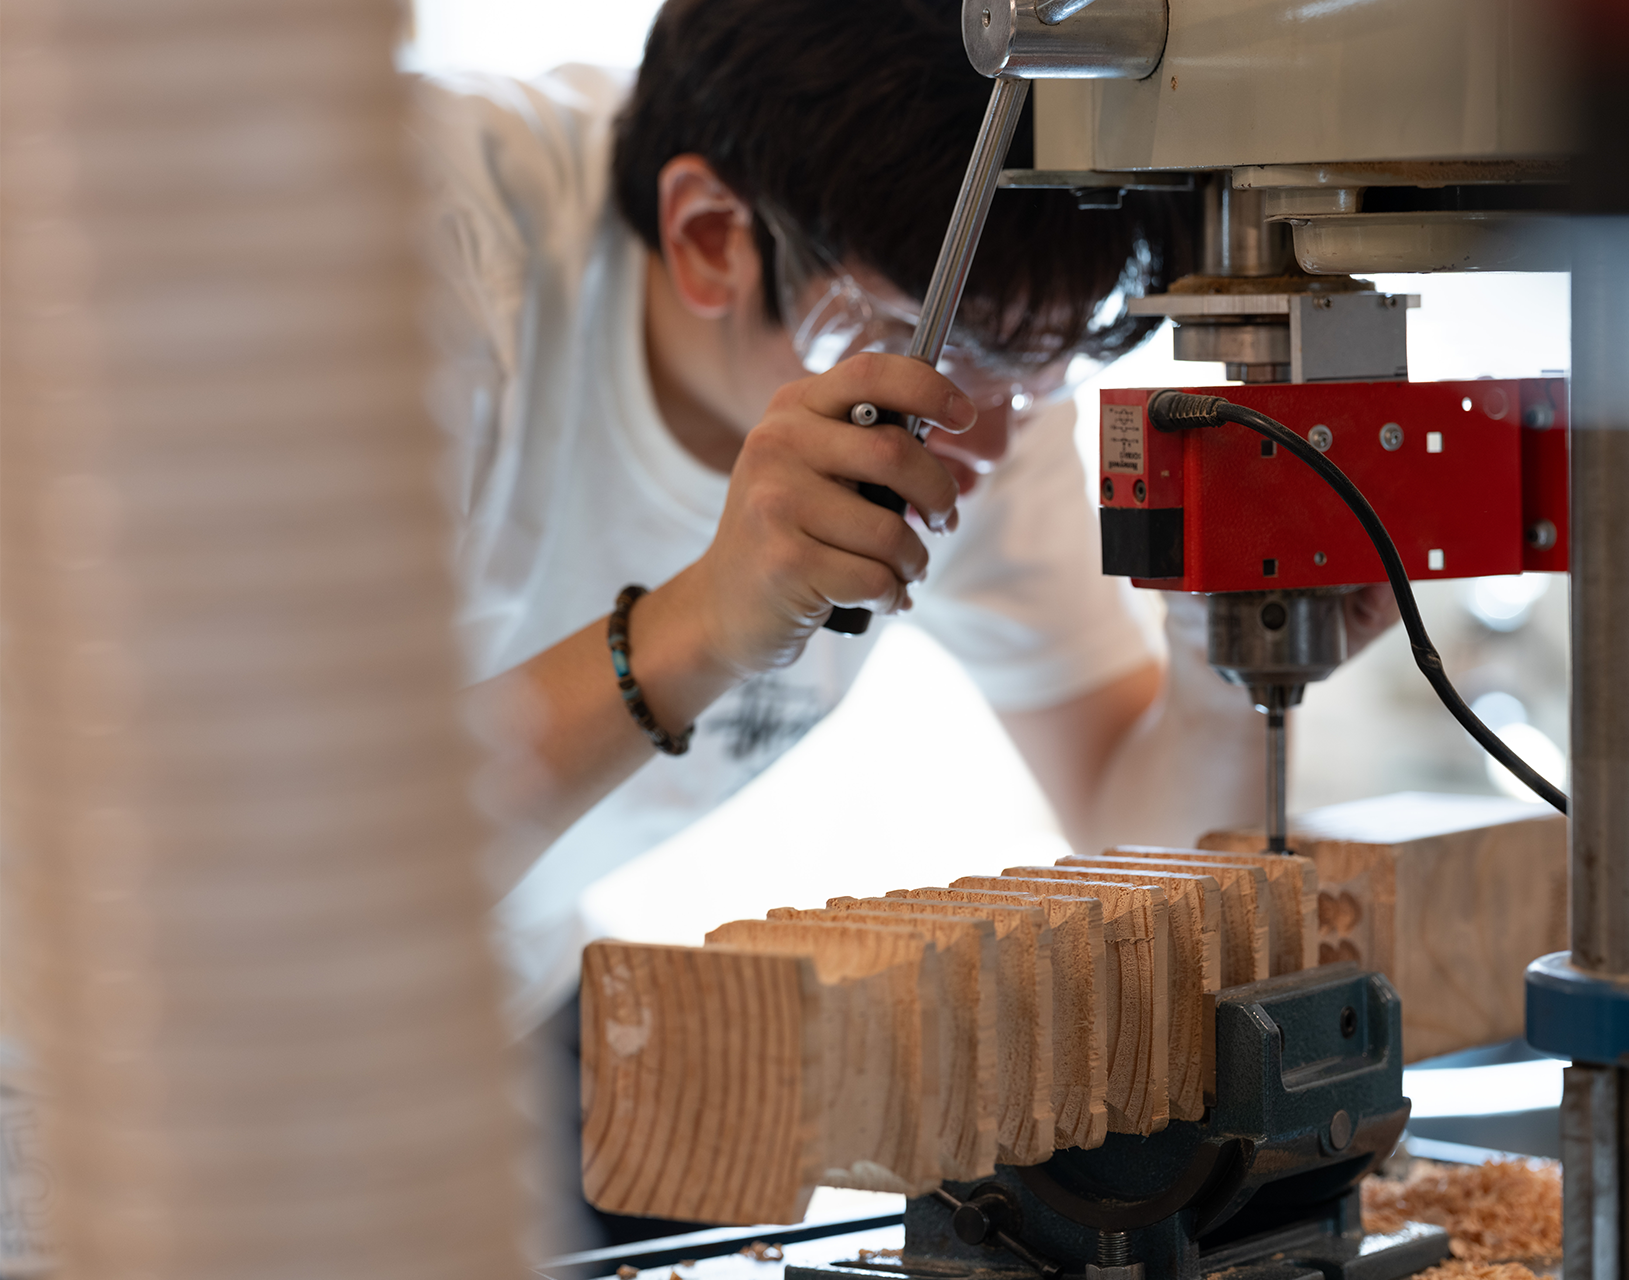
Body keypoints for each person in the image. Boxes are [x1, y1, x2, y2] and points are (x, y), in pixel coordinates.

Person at [418, 0, 1397, 1247]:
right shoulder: (420, 281)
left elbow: (1124, 811)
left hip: (494, 987)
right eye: (964, 360)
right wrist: (702, 623)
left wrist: (1223, 664)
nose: (984, 441)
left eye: (1041, 368)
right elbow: (279, 866)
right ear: (711, 238)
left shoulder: (969, 379)